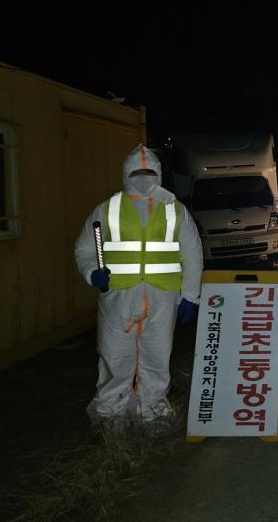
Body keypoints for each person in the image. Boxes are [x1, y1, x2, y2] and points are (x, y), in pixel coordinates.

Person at [75, 144, 203, 435]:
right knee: (114, 357)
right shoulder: (107, 208)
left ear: (158, 174)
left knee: (156, 358)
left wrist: (191, 295)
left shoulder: (174, 209)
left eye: (149, 172)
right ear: (125, 174)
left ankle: (152, 412)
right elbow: (84, 249)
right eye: (137, 173)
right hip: (118, 297)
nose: (143, 178)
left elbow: (192, 253)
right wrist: (92, 273)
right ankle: (110, 415)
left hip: (163, 297)